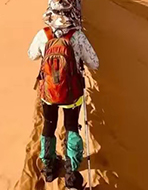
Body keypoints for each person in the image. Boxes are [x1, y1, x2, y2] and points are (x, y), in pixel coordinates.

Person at [28, 10, 99, 189]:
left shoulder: (43, 34)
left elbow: (31, 55)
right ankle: (72, 172)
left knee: (48, 125)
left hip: (49, 93)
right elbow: (95, 63)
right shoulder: (77, 36)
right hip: (72, 94)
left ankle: (49, 166)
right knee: (71, 127)